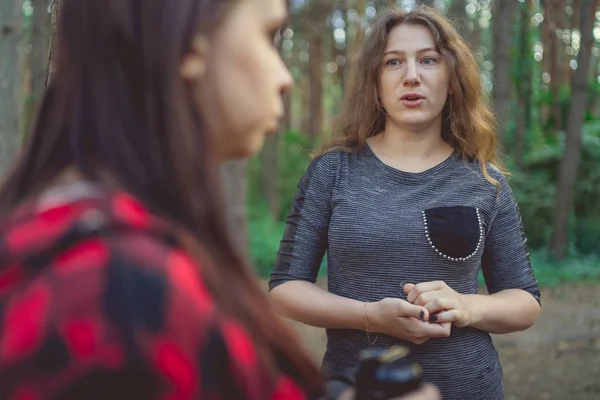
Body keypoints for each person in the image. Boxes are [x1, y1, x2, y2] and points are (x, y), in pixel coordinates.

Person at [0, 0, 440, 399]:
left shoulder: (115, 251)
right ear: (192, 42)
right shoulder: (115, 288)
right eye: (268, 36)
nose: (285, 78)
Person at [269, 5, 542, 400]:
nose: (411, 75)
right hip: (358, 390)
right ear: (375, 82)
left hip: (470, 389)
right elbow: (285, 288)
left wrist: (467, 307)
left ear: (452, 79)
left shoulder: (485, 180)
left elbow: (525, 301)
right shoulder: (332, 171)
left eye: (428, 60)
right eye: (393, 62)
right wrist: (367, 316)